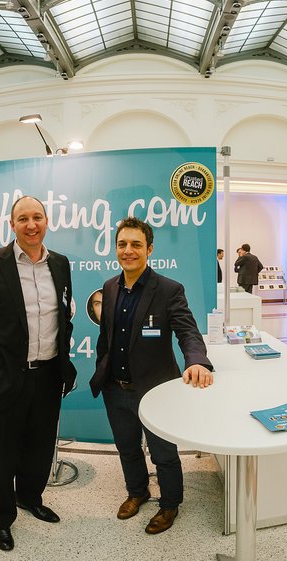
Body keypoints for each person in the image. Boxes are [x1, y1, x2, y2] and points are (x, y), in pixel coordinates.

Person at [0, 195, 76, 552]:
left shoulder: (61, 264)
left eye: (37, 217)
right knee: (0, 454)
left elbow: (63, 317)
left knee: (39, 447)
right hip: (2, 378)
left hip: (48, 375)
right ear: (12, 225)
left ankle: (29, 497)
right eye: (23, 218)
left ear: (47, 221)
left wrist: (64, 363)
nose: (31, 225)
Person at [89, 217, 213, 535]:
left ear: (149, 249)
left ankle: (169, 504)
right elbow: (106, 337)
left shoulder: (168, 290)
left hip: (156, 392)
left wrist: (197, 361)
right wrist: (102, 368)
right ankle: (137, 492)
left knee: (164, 454)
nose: (128, 251)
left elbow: (188, 331)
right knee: (127, 447)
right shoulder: (110, 288)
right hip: (116, 389)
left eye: (136, 244)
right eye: (122, 244)